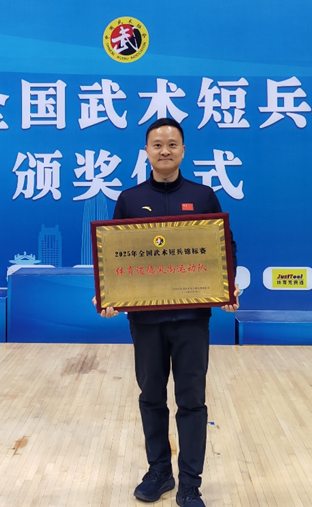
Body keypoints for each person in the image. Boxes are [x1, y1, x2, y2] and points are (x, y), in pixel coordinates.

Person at [96, 118, 239, 507]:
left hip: (192, 319)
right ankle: (160, 471)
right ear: (146, 151)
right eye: (157, 144)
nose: (164, 150)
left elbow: (224, 246)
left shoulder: (203, 196)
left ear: (183, 151)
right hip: (145, 320)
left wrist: (226, 287)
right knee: (151, 397)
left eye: (172, 144)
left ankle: (190, 483)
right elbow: (113, 256)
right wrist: (108, 295)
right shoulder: (129, 199)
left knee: (192, 400)